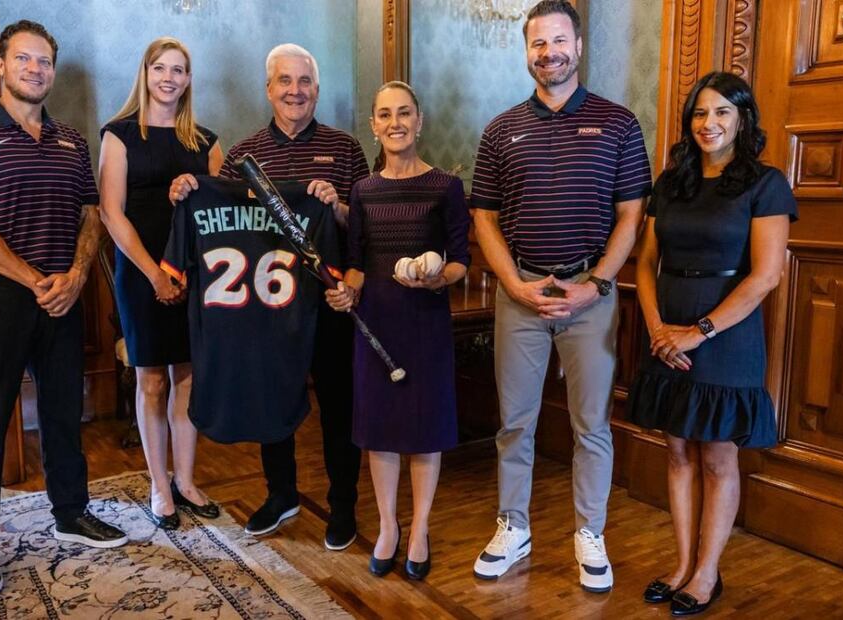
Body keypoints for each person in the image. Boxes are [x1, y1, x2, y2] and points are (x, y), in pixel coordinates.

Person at [0, 20, 127, 597]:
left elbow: (91, 214)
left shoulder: (70, 139)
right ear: (1, 64)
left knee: (65, 411)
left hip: (63, 298)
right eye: (24, 59)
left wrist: (72, 277)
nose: (35, 69)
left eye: (44, 61)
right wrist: (33, 279)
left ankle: (71, 513)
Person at [470, 0, 652, 592]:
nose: (548, 53)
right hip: (521, 293)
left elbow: (631, 217)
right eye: (537, 44)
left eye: (558, 41)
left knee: (591, 426)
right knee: (515, 424)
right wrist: (514, 284)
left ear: (578, 46)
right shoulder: (500, 129)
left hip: (590, 296)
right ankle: (513, 525)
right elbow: (485, 220)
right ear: (527, 52)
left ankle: (589, 533)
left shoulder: (619, 123)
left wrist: (596, 283)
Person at [169, 43, 369, 550]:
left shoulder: (345, 148)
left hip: (328, 301)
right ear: (269, 89)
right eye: (285, 81)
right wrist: (191, 188)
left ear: (317, 90)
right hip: (269, 305)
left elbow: (363, 227)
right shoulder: (244, 156)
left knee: (338, 404)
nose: (295, 91)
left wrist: (337, 206)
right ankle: (281, 493)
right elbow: (225, 222)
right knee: (271, 394)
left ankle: (343, 504)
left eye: (304, 82)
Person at [627, 71, 796, 616]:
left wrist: (697, 333)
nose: (709, 123)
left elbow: (766, 275)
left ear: (742, 118)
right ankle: (681, 564)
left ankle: (707, 572)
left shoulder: (765, 184)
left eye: (723, 111)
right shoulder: (671, 182)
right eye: (700, 112)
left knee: (718, 457)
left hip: (725, 334)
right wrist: (657, 328)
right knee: (676, 449)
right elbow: (647, 263)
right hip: (665, 329)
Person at [325, 81, 470, 581]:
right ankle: (388, 526)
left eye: (404, 113)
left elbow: (461, 263)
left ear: (420, 120)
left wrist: (437, 278)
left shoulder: (446, 187)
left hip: (425, 321)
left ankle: (422, 527)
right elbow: (357, 263)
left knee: (425, 431)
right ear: (373, 124)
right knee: (380, 433)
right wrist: (348, 291)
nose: (395, 123)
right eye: (384, 114)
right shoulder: (363, 190)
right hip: (376, 325)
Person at [99, 37, 221, 529]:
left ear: (189, 80)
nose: (169, 77)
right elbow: (111, 212)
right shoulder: (119, 133)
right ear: (145, 73)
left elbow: (219, 212)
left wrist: (190, 276)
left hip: (194, 276)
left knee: (187, 376)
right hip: (142, 272)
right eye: (160, 68)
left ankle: (186, 482)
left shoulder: (206, 141)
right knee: (151, 380)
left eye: (179, 70)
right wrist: (154, 273)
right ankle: (158, 485)